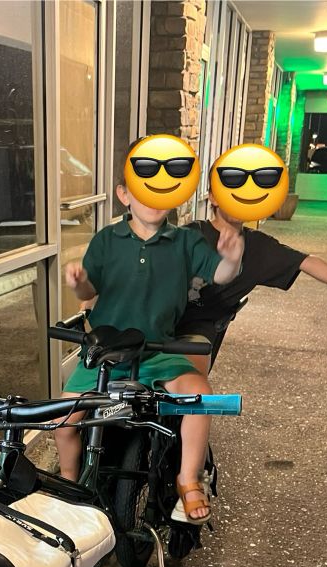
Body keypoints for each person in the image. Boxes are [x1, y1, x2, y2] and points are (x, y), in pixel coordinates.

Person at [56, 157, 244, 523]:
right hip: (104, 356)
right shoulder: (107, 240)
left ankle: (188, 480)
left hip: (158, 350)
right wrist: (78, 282)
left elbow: (219, 274)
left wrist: (232, 261)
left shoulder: (186, 241)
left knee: (200, 397)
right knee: (64, 421)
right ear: (124, 195)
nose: (154, 196)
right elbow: (89, 289)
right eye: (143, 189)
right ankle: (67, 482)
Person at [177, 171, 327, 373]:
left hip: (198, 329)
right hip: (162, 318)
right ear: (213, 197)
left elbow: (308, 262)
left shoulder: (259, 246)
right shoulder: (191, 234)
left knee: (191, 384)